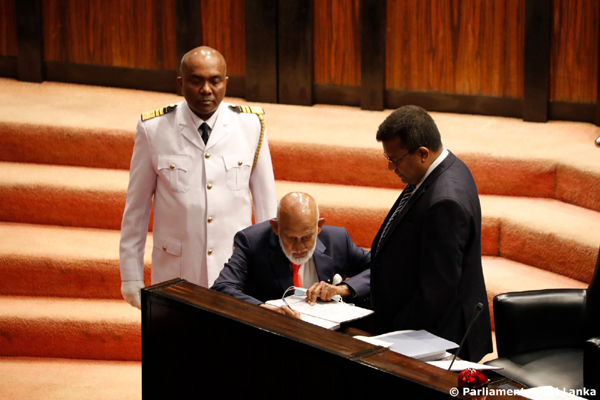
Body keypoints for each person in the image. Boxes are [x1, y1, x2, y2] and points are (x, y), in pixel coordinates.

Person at [120, 46, 277, 309]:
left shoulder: (250, 125)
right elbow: (136, 210)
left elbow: (266, 207)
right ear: (181, 83)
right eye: (196, 81)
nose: (206, 89)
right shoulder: (154, 128)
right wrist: (131, 276)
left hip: (235, 269)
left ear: (226, 83)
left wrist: (268, 271)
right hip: (176, 272)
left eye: (215, 81)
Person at [370, 105, 492, 362]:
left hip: (437, 339)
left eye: (395, 159)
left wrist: (392, 335)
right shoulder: (444, 169)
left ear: (423, 153)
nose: (391, 168)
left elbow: (437, 291)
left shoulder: (445, 201)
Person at [211, 192, 370, 317]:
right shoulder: (252, 242)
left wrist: (343, 289)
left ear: (319, 226)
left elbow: (378, 267)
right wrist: (266, 311)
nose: (299, 247)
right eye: (291, 238)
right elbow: (222, 287)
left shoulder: (337, 240)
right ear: (276, 227)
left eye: (307, 237)